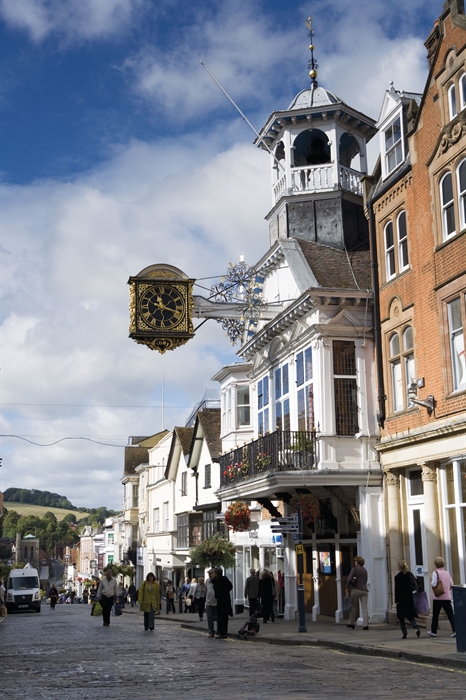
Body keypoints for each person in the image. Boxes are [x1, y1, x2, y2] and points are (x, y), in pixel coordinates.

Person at [427, 556, 456, 638]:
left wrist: (431, 581)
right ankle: (455, 630)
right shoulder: (447, 573)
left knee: (435, 614)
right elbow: (451, 584)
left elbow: (434, 584)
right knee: (450, 614)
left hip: (438, 597)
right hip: (447, 597)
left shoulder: (435, 572)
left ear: (436, 564)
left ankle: (433, 631)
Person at [394, 560, 421, 639]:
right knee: (410, 616)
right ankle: (416, 628)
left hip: (401, 599)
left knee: (401, 617)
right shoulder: (409, 574)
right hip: (409, 597)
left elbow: (397, 590)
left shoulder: (397, 577)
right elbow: (415, 583)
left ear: (399, 567)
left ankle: (404, 632)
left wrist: (396, 600)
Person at [345, 556, 369, 630]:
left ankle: (352, 623)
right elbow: (366, 580)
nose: (354, 562)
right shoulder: (365, 570)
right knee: (364, 607)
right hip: (364, 590)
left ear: (358, 562)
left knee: (353, 606)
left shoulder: (354, 569)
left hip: (356, 590)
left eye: (355, 561)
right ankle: (366, 624)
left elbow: (349, 578)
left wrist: (346, 587)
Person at [212, 567, 233, 639]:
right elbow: (230, 586)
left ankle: (221, 633)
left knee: (220, 618)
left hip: (221, 601)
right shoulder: (225, 579)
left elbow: (216, 591)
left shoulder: (217, 581)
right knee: (225, 618)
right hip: (226, 600)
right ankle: (224, 633)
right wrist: (226, 591)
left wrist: (219, 595)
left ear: (216, 574)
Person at [206, 569, 218, 638]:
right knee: (209, 619)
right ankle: (211, 632)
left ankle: (218, 631)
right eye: (209, 574)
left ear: (215, 574)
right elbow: (206, 590)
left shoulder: (218, 581)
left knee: (218, 618)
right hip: (209, 603)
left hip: (216, 602)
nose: (210, 575)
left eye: (211, 573)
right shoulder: (207, 581)